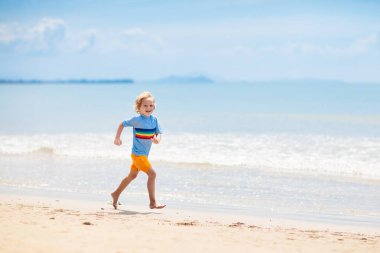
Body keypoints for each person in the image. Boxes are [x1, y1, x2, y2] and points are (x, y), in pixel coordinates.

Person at [111, 91, 166, 210]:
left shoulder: (154, 120)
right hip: (137, 155)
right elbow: (122, 124)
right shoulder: (136, 120)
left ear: (154, 107)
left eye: (151, 105)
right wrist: (117, 138)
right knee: (152, 174)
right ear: (138, 108)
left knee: (132, 176)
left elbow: (159, 133)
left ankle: (115, 194)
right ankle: (153, 202)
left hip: (144, 156)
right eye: (145, 105)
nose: (148, 108)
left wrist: (157, 139)